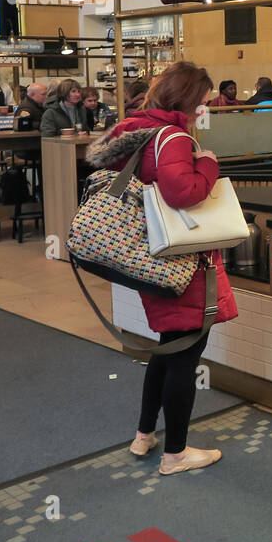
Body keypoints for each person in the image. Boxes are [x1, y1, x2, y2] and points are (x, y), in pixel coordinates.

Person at [86, 61, 237, 475]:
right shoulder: (172, 136)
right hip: (181, 259)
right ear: (187, 98)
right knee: (185, 354)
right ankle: (176, 454)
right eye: (201, 101)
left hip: (149, 255)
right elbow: (182, 192)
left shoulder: (134, 129)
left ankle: (144, 435)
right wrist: (207, 163)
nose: (203, 108)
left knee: (167, 348)